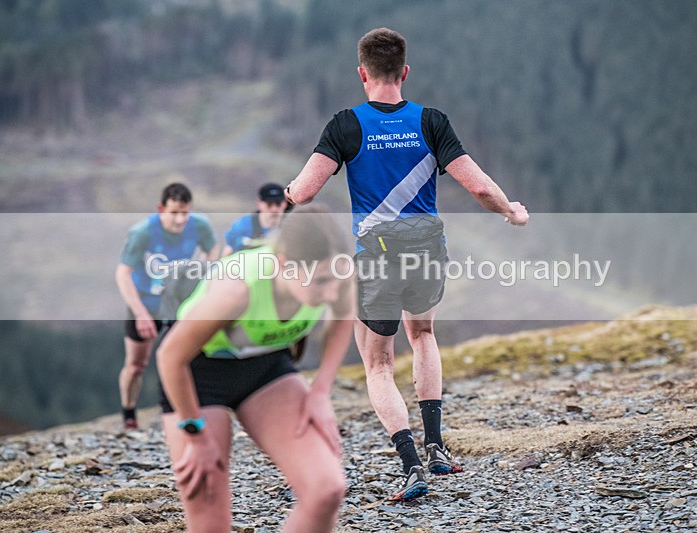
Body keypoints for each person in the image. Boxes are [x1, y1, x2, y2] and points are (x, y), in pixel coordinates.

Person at [284, 27, 529, 501]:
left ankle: (411, 465)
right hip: (427, 247)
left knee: (377, 363)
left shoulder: (346, 125)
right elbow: (477, 186)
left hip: (376, 255)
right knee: (424, 336)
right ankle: (437, 448)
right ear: (405, 72)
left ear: (362, 74)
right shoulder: (430, 121)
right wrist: (511, 211)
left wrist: (288, 195)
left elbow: (307, 190)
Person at [156, 206, 353, 533]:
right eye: (321, 281)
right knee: (209, 524)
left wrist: (320, 391)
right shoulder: (236, 290)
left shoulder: (336, 271)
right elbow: (169, 357)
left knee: (326, 489)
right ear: (285, 266)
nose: (332, 293)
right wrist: (196, 434)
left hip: (265, 367)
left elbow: (344, 318)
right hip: (196, 374)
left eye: (337, 279)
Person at [115, 183, 220, 430]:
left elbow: (213, 249)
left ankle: (184, 414)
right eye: (174, 213)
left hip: (179, 303)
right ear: (161, 209)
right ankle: (129, 414)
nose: (180, 219)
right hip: (145, 302)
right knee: (136, 364)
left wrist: (203, 272)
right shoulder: (142, 232)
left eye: (185, 213)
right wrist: (140, 313)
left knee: (185, 358)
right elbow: (123, 274)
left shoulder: (200, 225)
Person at [222, 182, 289, 256]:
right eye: (269, 204)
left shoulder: (293, 224)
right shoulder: (242, 226)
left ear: (285, 203)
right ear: (259, 203)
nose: (274, 209)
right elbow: (228, 251)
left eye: (278, 204)